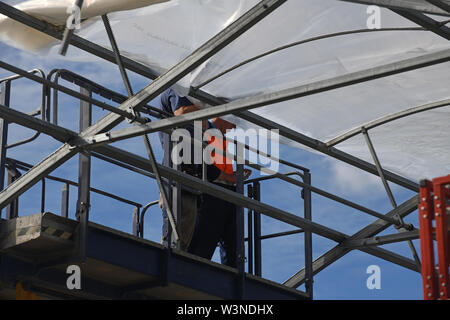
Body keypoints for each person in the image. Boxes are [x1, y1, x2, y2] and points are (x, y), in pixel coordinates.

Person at [154, 88, 250, 267]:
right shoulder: (181, 96)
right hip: (200, 183)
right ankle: (177, 268)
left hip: (200, 183)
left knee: (189, 233)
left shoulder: (210, 132)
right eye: (232, 122)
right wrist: (229, 178)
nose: (233, 128)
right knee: (186, 235)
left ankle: (181, 267)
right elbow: (182, 114)